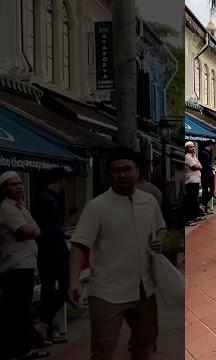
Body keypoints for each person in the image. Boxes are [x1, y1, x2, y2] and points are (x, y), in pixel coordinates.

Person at [68, 148, 167, 360]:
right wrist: (74, 281)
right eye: (116, 171)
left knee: (146, 342)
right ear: (109, 174)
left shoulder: (149, 201)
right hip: (106, 291)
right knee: (103, 350)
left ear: (137, 172)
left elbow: (161, 228)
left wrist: (160, 239)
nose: (122, 175)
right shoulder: (96, 206)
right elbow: (79, 245)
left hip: (145, 289)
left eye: (127, 170)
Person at [0, 171, 49, 360]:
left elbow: (35, 228)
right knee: (16, 312)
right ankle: (17, 351)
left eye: (20, 183)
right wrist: (33, 229)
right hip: (14, 267)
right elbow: (24, 231)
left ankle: (23, 349)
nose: (19, 187)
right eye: (14, 184)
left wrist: (33, 229)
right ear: (4, 189)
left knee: (21, 311)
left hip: (25, 266)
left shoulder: (21, 207)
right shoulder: (6, 208)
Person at [31, 169, 70, 345]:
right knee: (65, 286)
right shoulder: (47, 199)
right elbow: (50, 227)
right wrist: (62, 235)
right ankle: (45, 323)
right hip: (53, 251)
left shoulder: (45, 197)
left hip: (48, 250)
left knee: (49, 288)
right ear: (62, 180)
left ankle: (46, 326)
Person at [184, 141, 205, 227]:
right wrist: (199, 166)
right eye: (190, 147)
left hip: (196, 182)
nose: (193, 148)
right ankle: (188, 219)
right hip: (190, 183)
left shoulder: (194, 157)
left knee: (195, 200)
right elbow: (195, 167)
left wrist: (199, 166)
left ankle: (195, 216)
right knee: (190, 201)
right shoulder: (187, 157)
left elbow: (200, 166)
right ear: (186, 149)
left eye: (193, 146)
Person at [199, 140, 215, 215]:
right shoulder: (204, 153)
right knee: (211, 190)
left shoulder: (205, 153)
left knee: (206, 191)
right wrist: (211, 174)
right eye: (213, 145)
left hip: (205, 174)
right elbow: (205, 166)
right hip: (207, 175)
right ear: (210, 145)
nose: (213, 147)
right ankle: (203, 204)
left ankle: (205, 207)